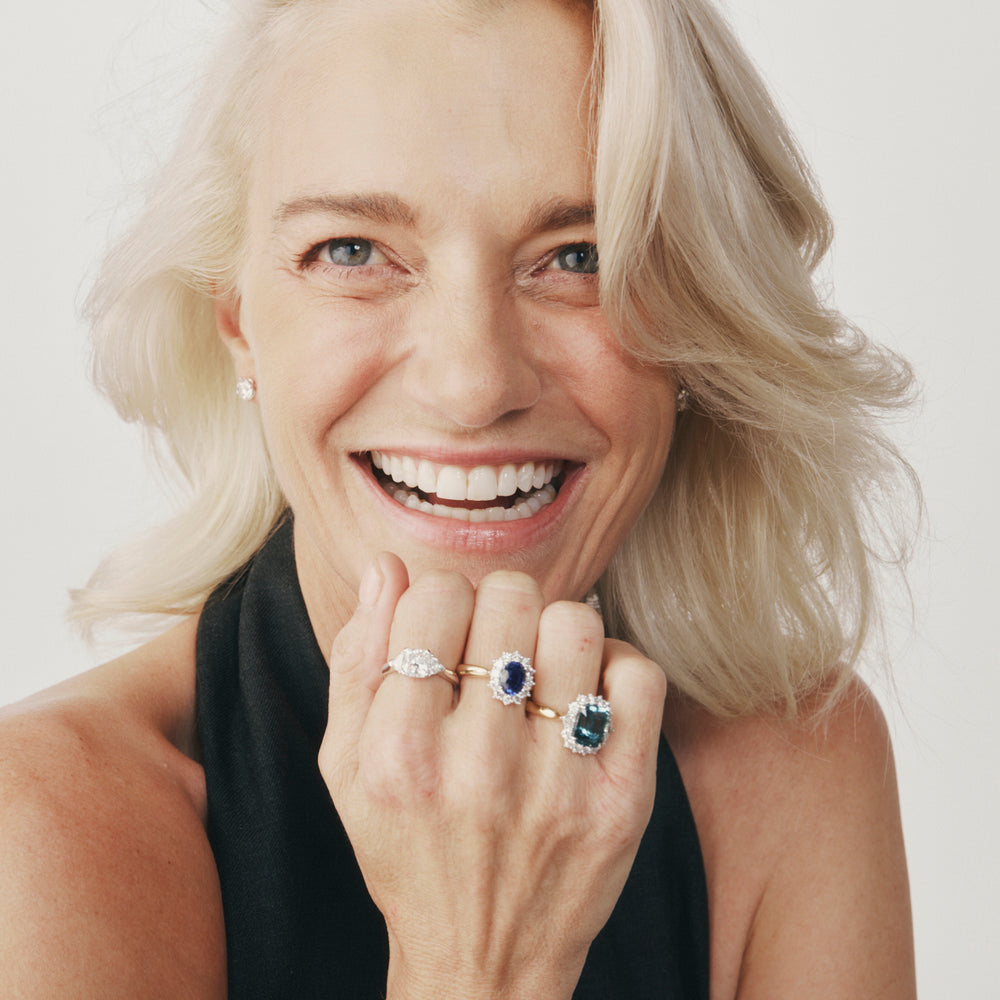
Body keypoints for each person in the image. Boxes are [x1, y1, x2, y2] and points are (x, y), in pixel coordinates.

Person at [0, 0, 918, 996]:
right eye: (352, 251)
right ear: (237, 321)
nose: (474, 383)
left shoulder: (792, 772)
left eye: (582, 257)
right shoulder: (42, 820)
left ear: (702, 322)